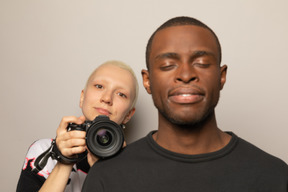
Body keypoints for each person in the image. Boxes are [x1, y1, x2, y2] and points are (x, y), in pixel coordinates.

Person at [82, 16, 288, 191]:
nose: (186, 75)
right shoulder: (107, 178)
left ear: (221, 76)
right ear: (148, 81)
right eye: (168, 65)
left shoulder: (274, 176)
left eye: (201, 63)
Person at [16, 60, 139, 192]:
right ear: (82, 97)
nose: (107, 98)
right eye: (99, 86)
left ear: (128, 115)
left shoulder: (137, 168)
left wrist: (105, 172)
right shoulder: (43, 152)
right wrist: (64, 162)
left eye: (121, 94)